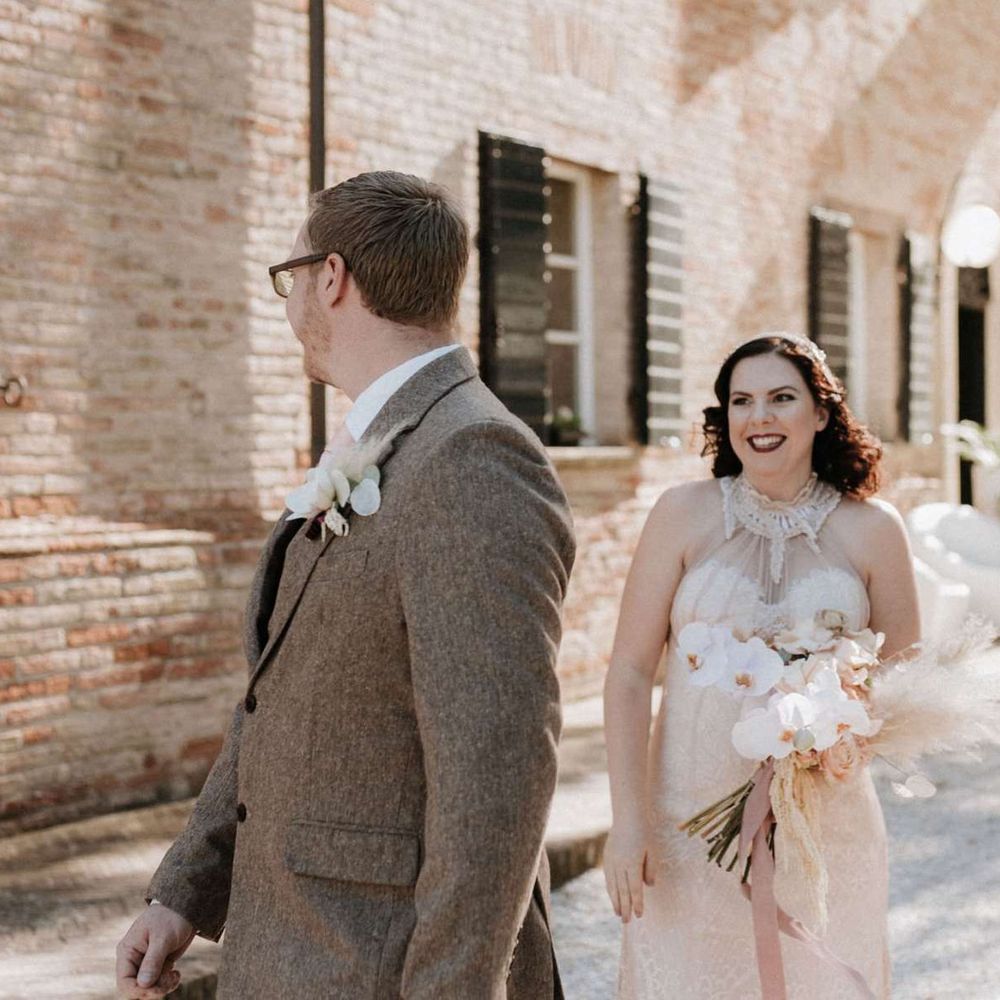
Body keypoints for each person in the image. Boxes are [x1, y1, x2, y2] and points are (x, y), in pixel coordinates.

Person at [114, 171, 576, 999]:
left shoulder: (473, 460)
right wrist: (186, 891)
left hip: (380, 964)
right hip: (289, 948)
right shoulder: (386, 439)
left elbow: (497, 784)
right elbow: (278, 700)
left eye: (291, 278)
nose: (290, 304)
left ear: (331, 278)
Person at [603, 333, 919, 998]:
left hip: (825, 834)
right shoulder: (680, 515)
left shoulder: (874, 529)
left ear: (821, 413)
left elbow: (905, 684)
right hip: (684, 833)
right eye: (741, 401)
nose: (759, 417)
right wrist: (628, 822)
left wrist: (831, 723)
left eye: (782, 398)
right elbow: (630, 674)